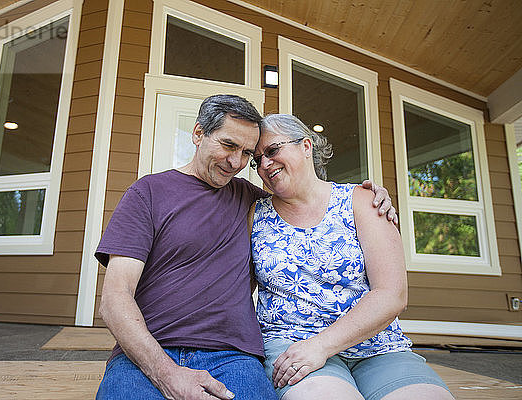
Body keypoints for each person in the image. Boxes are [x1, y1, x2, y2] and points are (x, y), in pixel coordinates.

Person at [94, 95, 396, 400]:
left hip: (232, 356)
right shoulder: (148, 193)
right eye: (228, 145)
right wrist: (165, 372)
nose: (236, 163)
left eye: (246, 154)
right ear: (198, 134)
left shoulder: (253, 201)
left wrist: (368, 196)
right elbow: (114, 299)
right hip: (149, 351)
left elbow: (305, 196)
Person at [250, 114, 454, 400]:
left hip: (376, 346)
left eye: (272, 151)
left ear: (306, 146)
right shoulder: (253, 213)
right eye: (256, 160)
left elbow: (392, 294)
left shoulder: (361, 201)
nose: (264, 165)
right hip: (292, 345)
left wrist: (321, 346)